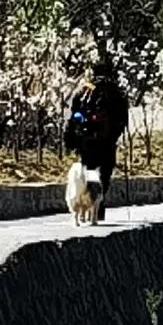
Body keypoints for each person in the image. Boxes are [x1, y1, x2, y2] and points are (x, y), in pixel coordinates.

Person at [61, 49, 129, 228]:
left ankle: (84, 208)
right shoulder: (115, 92)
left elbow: (75, 114)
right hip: (107, 142)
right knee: (103, 175)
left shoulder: (85, 91)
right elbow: (123, 118)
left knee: (88, 173)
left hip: (87, 141)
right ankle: (96, 207)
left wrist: (74, 138)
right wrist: (116, 133)